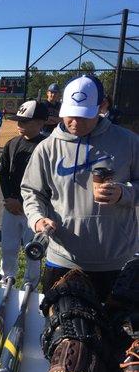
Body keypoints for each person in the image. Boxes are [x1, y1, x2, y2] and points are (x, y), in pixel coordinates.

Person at [21, 75, 139, 301]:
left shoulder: (128, 142)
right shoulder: (47, 147)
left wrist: (124, 193)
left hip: (115, 261)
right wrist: (37, 218)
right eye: (70, 114)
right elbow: (32, 191)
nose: (75, 122)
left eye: (84, 115)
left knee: (115, 334)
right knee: (63, 332)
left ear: (102, 107)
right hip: (62, 259)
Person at [0, 100, 48, 286]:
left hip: (35, 209)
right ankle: (6, 279)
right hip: (11, 207)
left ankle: (30, 285)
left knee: (33, 250)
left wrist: (21, 201)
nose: (19, 125)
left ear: (41, 122)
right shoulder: (12, 144)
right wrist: (9, 198)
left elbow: (47, 182)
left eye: (25, 122)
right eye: (18, 121)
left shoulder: (47, 145)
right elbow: (3, 174)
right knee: (8, 247)